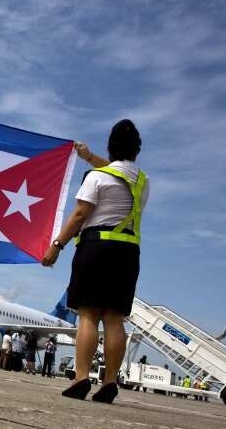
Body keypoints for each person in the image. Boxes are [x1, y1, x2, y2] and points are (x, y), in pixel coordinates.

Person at [42, 119, 149, 404]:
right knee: (114, 319)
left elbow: (79, 215)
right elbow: (117, 171)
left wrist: (57, 246)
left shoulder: (96, 178)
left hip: (96, 248)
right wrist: (89, 157)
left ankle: (81, 377)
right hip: (127, 252)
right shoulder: (141, 182)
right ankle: (110, 381)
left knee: (88, 314)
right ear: (136, 151)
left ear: (109, 147)